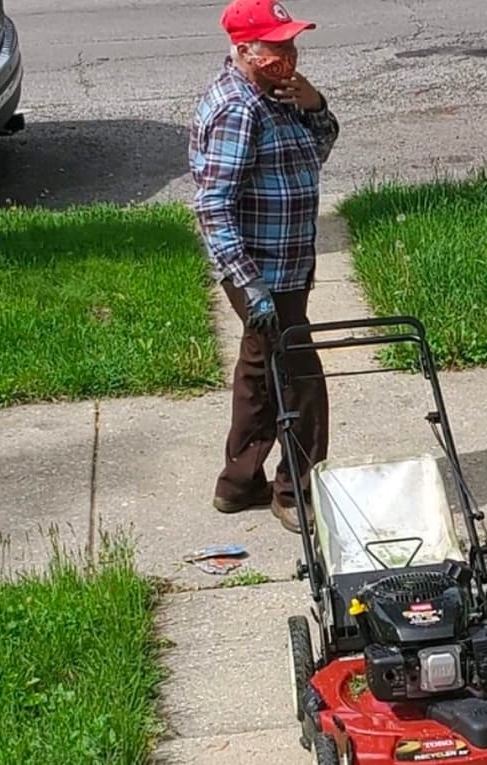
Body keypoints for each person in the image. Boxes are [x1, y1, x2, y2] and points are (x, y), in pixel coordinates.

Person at [188, 0, 340, 534]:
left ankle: (238, 483)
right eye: (277, 46)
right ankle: (296, 490)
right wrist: (250, 288)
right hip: (261, 269)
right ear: (244, 49)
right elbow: (212, 205)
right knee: (299, 378)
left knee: (260, 368)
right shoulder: (238, 108)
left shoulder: (277, 95)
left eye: (292, 43)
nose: (289, 55)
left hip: (289, 261)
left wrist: (314, 103)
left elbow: (315, 150)